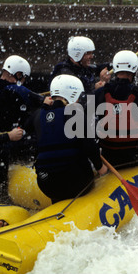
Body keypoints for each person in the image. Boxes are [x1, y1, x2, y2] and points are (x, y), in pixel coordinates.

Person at [25, 74, 108, 204]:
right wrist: (100, 167)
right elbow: (89, 146)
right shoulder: (75, 113)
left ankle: (57, 200)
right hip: (75, 181)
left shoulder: (37, 115)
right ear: (72, 94)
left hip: (46, 184)